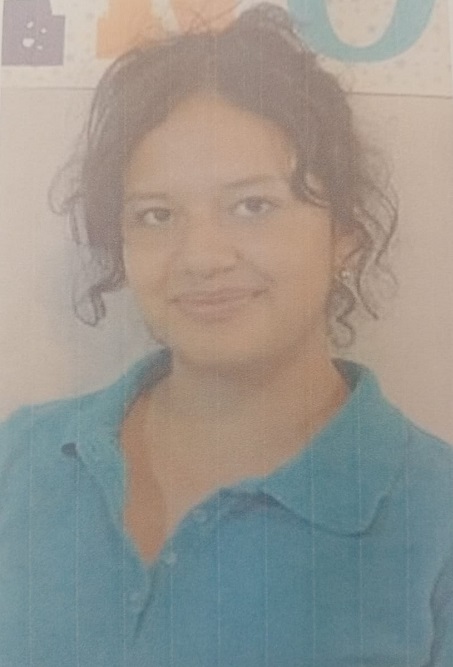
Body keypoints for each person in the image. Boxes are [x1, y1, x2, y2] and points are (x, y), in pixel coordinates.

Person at [1, 4, 452, 666]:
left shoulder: (434, 515)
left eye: (252, 205)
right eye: (156, 215)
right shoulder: (22, 457)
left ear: (344, 237)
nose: (201, 257)